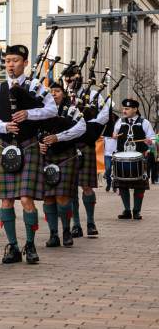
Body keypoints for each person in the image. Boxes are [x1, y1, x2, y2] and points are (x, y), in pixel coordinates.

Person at [0, 44, 56, 264]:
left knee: (25, 199)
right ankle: (13, 246)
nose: (10, 65)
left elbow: (51, 110)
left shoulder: (36, 86)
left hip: (28, 146)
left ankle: (31, 245)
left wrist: (29, 114)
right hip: (5, 147)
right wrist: (4, 126)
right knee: (5, 201)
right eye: (7, 61)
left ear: (24, 62)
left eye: (15, 61)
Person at [63, 67, 109, 238]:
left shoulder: (95, 95)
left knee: (87, 186)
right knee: (71, 187)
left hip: (85, 142)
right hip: (67, 145)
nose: (71, 82)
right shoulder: (62, 96)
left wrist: (86, 127)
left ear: (80, 78)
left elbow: (104, 116)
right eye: (68, 79)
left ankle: (90, 222)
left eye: (74, 79)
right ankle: (76, 224)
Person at [39, 82, 86, 248]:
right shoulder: (40, 112)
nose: (53, 94)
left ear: (63, 94)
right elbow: (31, 132)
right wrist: (38, 144)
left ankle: (66, 231)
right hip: (46, 157)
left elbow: (82, 127)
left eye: (57, 91)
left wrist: (59, 137)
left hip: (66, 156)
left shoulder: (71, 110)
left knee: (62, 197)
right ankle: (53, 234)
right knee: (48, 197)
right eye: (51, 91)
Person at [112, 99, 155, 220]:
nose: (124, 111)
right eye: (124, 108)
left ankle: (136, 210)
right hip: (122, 158)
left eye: (127, 109)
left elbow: (153, 139)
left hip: (139, 159)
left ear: (135, 109)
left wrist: (150, 142)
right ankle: (127, 210)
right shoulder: (120, 122)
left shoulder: (144, 122)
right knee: (122, 185)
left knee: (139, 186)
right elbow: (114, 136)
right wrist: (113, 137)